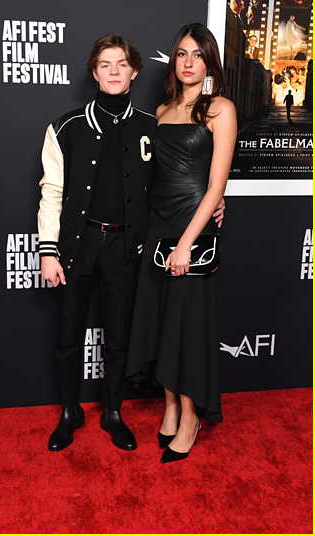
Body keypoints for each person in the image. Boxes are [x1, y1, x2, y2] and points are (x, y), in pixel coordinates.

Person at [37, 33, 226, 453]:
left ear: (135, 71)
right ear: (94, 72)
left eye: (122, 64)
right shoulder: (64, 127)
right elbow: (51, 192)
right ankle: (69, 413)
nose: (114, 71)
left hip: (127, 249)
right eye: (105, 64)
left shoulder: (151, 124)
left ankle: (113, 412)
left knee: (119, 336)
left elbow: (178, 174)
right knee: (69, 335)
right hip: (77, 245)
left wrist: (216, 198)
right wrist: (48, 251)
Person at [126, 24, 237, 464]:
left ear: (210, 61)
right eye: (180, 54)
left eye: (197, 54)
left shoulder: (220, 109)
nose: (188, 62)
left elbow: (215, 185)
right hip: (157, 226)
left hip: (193, 229)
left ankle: (190, 417)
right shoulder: (162, 109)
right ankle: (170, 405)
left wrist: (188, 242)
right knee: (163, 323)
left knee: (187, 327)